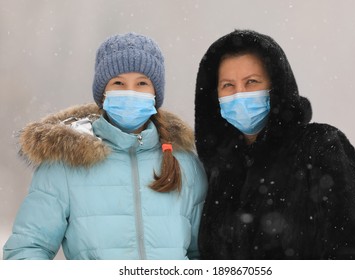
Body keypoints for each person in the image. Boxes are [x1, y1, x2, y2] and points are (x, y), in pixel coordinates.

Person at [3, 32, 207, 260]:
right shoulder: (66, 163)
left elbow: (202, 255)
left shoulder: (186, 164)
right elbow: (26, 251)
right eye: (118, 83)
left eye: (142, 83)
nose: (130, 92)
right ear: (103, 93)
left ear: (155, 93)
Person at [194, 29, 355, 259]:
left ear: (276, 87)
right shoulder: (221, 171)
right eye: (228, 85)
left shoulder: (321, 145)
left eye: (251, 82)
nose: (239, 94)